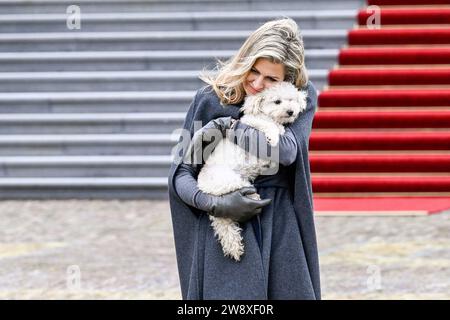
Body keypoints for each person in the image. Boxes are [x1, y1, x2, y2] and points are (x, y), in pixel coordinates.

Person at [167, 18, 320, 300]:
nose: (258, 83)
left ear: (287, 81)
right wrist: (213, 202)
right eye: (254, 71)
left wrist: (231, 128)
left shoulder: (300, 98)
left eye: (272, 79)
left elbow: (285, 152)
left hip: (281, 228)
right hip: (224, 222)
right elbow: (181, 173)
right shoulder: (210, 100)